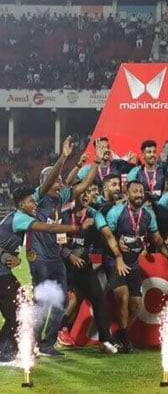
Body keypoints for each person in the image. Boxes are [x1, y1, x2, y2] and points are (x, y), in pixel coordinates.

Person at [0, 187, 94, 363]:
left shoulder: (16, 217)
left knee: (20, 310)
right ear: (21, 204)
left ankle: (9, 350)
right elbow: (49, 228)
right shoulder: (20, 218)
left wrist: (14, 258)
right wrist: (77, 227)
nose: (34, 204)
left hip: (4, 272)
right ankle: (4, 353)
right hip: (1, 275)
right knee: (18, 313)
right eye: (31, 201)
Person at [28, 136, 103, 357]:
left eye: (61, 180)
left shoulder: (60, 198)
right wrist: (64, 157)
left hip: (56, 258)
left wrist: (96, 163)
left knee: (62, 300)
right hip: (39, 258)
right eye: (56, 179)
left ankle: (47, 343)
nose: (60, 182)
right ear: (45, 182)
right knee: (42, 301)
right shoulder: (38, 198)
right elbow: (50, 178)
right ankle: (31, 341)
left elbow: (84, 186)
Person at [101, 180, 168, 353]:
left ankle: (118, 338)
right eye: (135, 191)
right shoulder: (116, 212)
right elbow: (105, 237)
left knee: (136, 305)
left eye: (141, 191)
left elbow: (158, 240)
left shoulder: (148, 215)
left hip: (133, 263)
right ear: (127, 194)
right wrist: (117, 244)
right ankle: (124, 341)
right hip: (114, 261)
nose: (139, 194)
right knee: (122, 296)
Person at [59, 187, 119, 354]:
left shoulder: (95, 214)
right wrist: (69, 255)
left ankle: (105, 340)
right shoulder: (64, 213)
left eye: (89, 193)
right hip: (64, 263)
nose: (86, 196)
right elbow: (57, 239)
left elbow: (107, 235)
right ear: (75, 194)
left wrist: (118, 256)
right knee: (70, 300)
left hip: (84, 264)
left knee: (99, 299)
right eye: (83, 193)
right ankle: (55, 333)